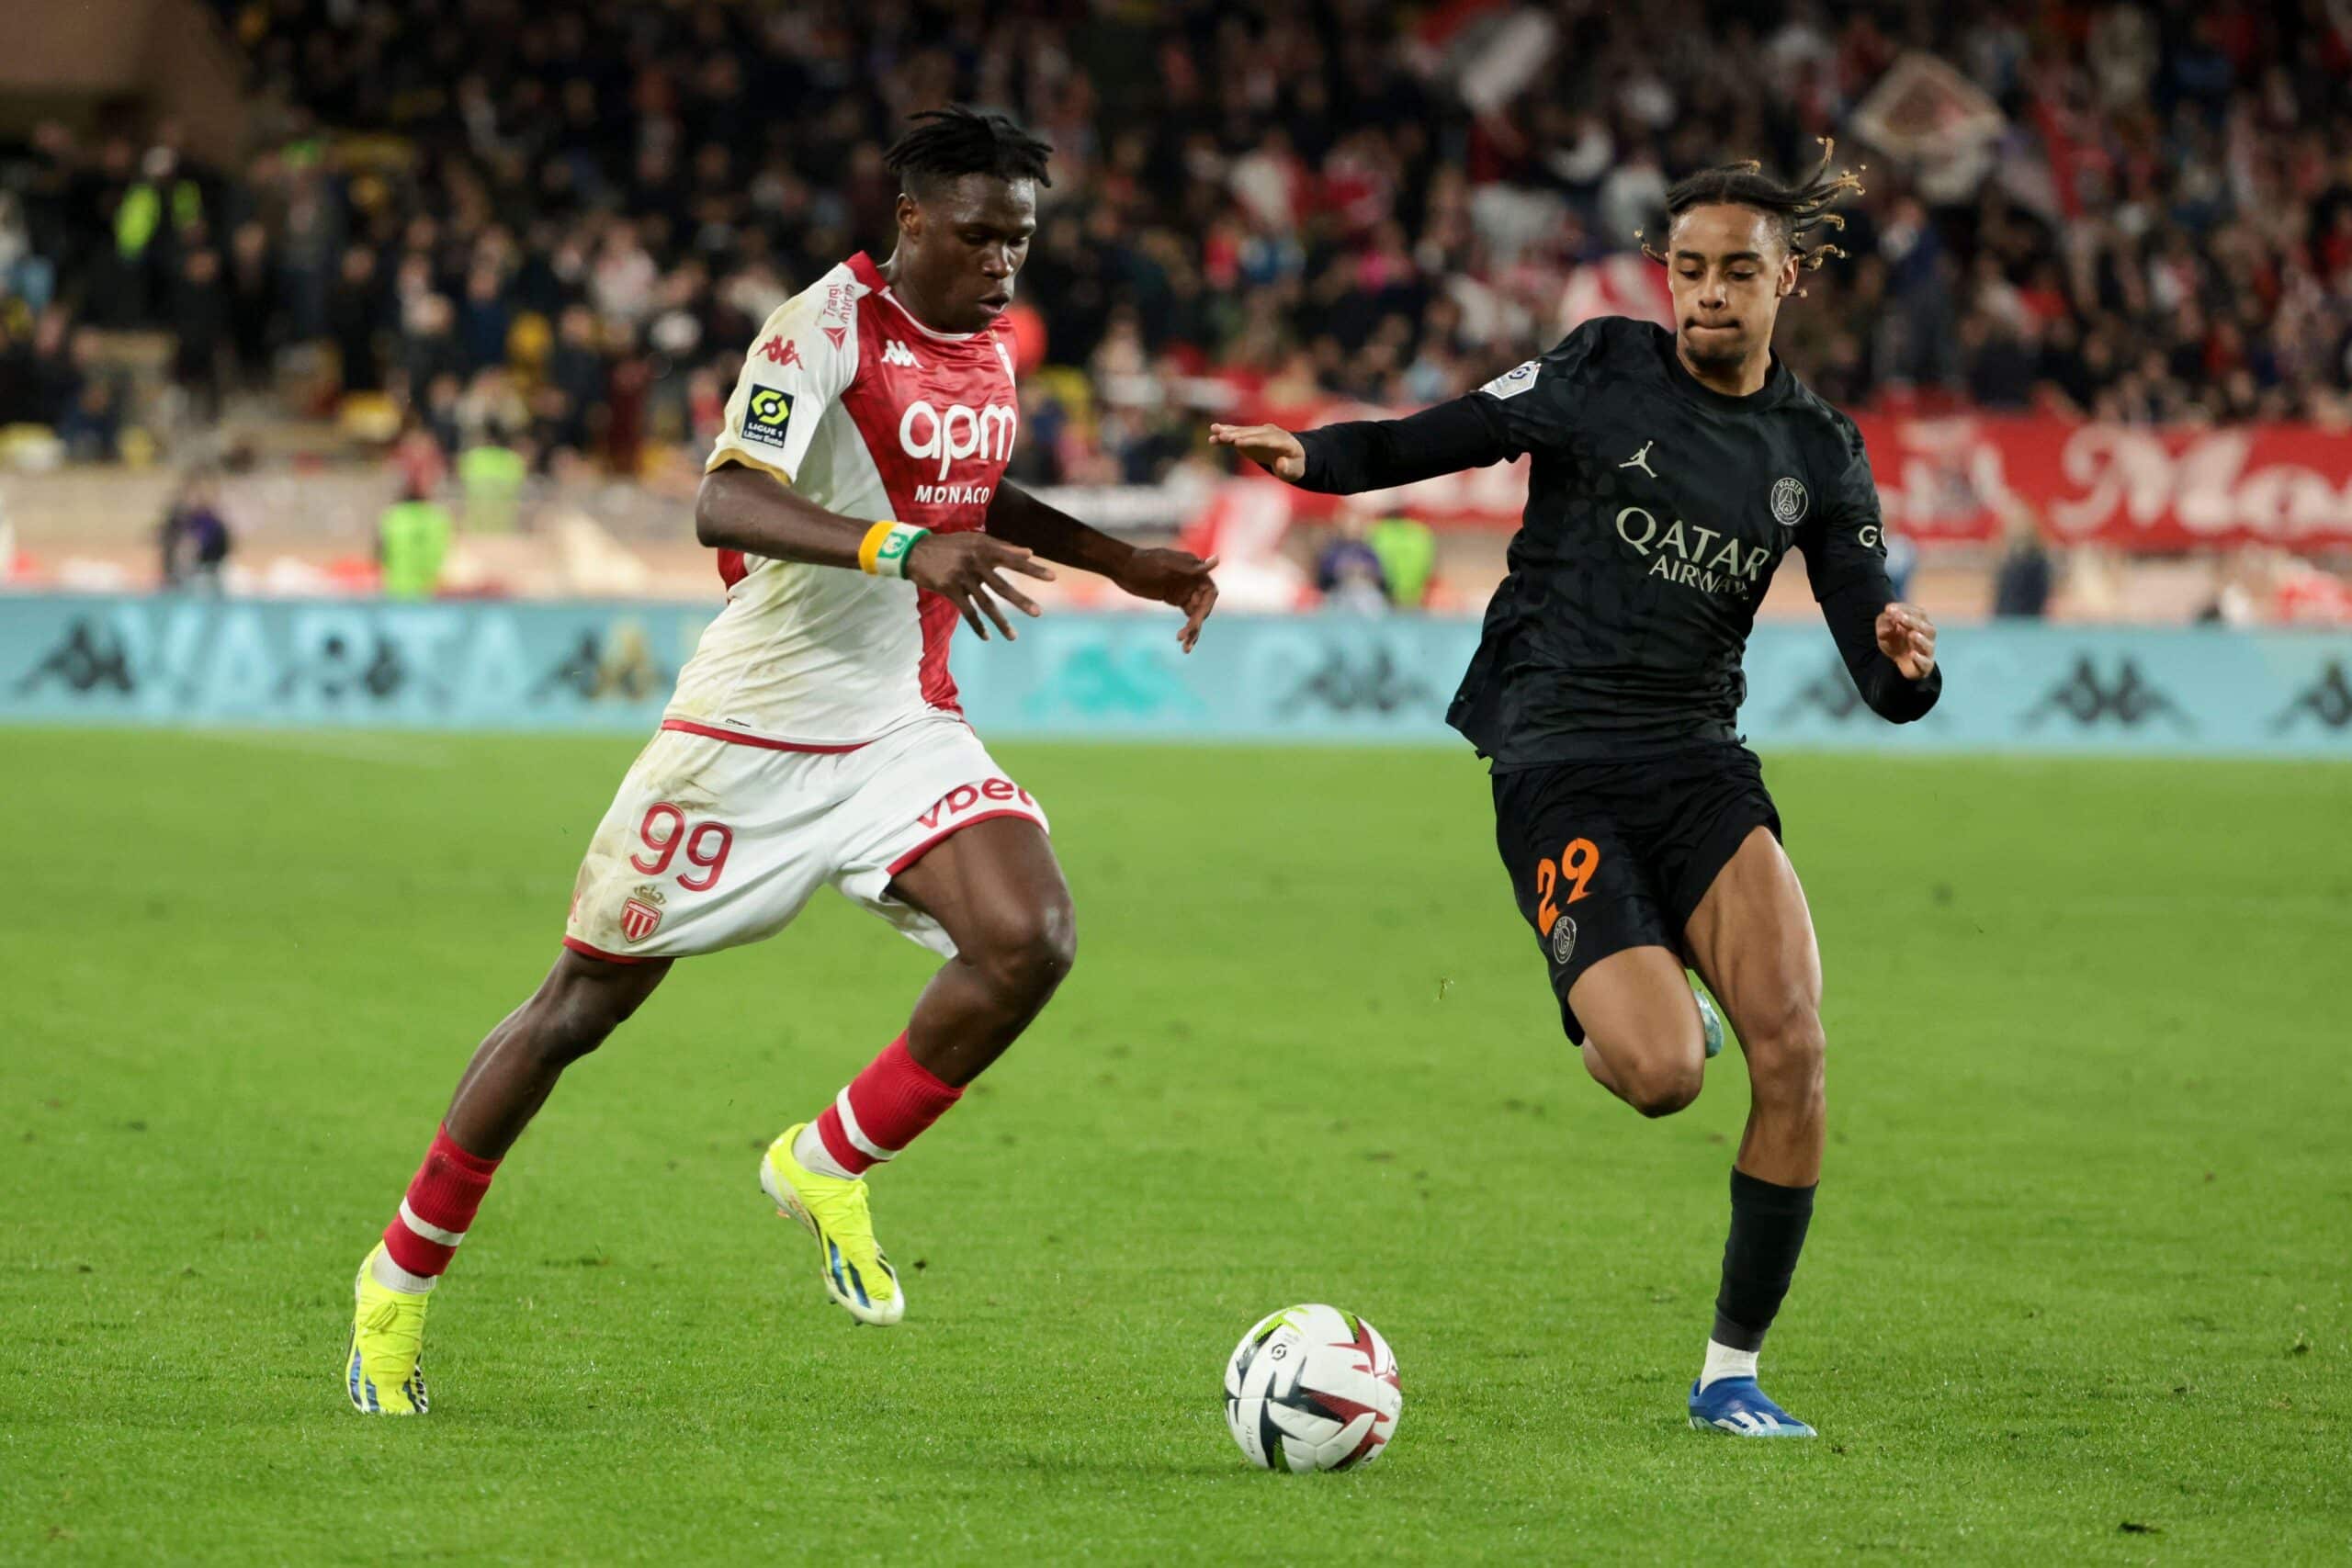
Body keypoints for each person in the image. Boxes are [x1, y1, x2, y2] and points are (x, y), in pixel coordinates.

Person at [345, 107, 1220, 1415]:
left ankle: (826, 1158)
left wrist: (1121, 559)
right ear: (911, 217)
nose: (1002, 265)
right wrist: (894, 547)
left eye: (1021, 242)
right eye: (980, 235)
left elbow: (966, 498)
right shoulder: (819, 329)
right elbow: (725, 496)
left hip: (898, 722)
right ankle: (396, 1284)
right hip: (748, 726)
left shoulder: (987, 347)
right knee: (575, 1012)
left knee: (1031, 934)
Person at [1212, 142, 1940, 1440]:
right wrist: (1312, 457)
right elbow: (1445, 432)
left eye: (1736, 273)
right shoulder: (1603, 367)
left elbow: (1874, 658)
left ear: (1788, 283)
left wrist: (1905, 667)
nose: (1707, 293)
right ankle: (1626, 995)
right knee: (1662, 1071)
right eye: (1688, 269)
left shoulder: (1817, 450)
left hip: (1701, 762)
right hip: (1553, 758)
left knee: (1800, 1048)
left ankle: (1730, 1373)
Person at [159, 469, 232, 592]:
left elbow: (222, 552)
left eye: (205, 492)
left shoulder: (214, 523)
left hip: (207, 575)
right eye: (196, 492)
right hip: (178, 578)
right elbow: (169, 552)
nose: (200, 496)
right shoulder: (177, 520)